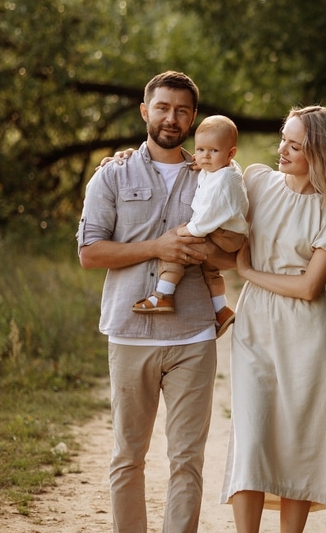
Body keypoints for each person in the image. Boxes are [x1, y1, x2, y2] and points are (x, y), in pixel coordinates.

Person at [77, 70, 235, 533]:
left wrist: (205, 252)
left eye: (182, 110)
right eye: (163, 107)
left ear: (193, 118)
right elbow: (90, 253)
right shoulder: (112, 174)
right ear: (145, 111)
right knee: (128, 457)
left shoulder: (214, 177)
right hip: (129, 334)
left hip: (193, 335)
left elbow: (235, 252)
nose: (172, 117)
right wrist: (157, 247)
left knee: (187, 459)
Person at [221, 105, 326, 533]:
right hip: (255, 325)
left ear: (319, 153)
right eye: (284, 138)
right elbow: (203, 173)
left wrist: (246, 273)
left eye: (295, 144)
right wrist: (125, 159)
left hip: (307, 332)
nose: (282, 148)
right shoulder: (257, 181)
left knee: (296, 442)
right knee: (251, 438)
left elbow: (309, 288)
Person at [131, 114, 249, 338]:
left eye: (213, 151)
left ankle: (163, 294)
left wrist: (188, 231)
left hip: (224, 233)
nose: (204, 156)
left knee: (175, 245)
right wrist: (206, 162)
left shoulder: (223, 181)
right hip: (230, 232)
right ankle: (221, 310)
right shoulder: (224, 169)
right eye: (201, 149)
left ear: (230, 153)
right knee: (210, 270)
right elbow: (212, 167)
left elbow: (207, 216)